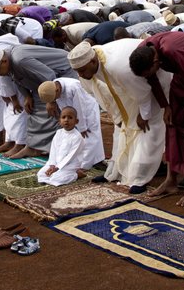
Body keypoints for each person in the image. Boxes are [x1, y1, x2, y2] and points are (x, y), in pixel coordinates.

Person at [69, 40, 168, 194]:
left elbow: (144, 93)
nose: (80, 75)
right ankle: (115, 172)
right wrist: (117, 117)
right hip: (128, 88)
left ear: (93, 61)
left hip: (153, 80)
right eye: (78, 72)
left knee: (147, 128)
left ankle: (140, 177)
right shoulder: (87, 65)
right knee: (121, 128)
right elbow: (100, 93)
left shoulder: (118, 66)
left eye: (82, 71)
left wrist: (144, 115)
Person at [129, 31, 184, 204]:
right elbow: (152, 80)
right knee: (172, 123)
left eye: (150, 72)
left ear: (156, 62)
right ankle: (171, 180)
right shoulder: (143, 50)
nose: (149, 76)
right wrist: (165, 106)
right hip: (181, 76)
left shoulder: (173, 51)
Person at [37, 78, 106, 170]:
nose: (55, 100)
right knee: (76, 138)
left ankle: (85, 166)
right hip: (72, 113)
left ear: (57, 90)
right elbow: (64, 107)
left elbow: (80, 109)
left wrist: (82, 127)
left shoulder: (74, 88)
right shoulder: (54, 85)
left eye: (54, 98)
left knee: (89, 136)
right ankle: (93, 160)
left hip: (88, 110)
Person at [37, 106, 87, 186]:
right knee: (41, 174)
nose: (66, 120)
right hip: (55, 163)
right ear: (59, 121)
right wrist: (52, 165)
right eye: (63, 117)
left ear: (76, 121)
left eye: (70, 117)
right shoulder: (58, 133)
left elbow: (71, 156)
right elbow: (53, 150)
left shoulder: (77, 137)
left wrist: (57, 167)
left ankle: (77, 174)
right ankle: (55, 174)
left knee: (57, 178)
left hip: (69, 164)